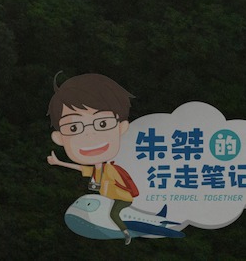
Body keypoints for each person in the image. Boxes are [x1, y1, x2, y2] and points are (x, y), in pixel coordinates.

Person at [48, 75, 183, 240]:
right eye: (74, 127)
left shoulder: (111, 168)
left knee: (114, 214)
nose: (89, 134)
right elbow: (79, 167)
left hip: (122, 198)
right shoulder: (96, 170)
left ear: (121, 127)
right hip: (110, 198)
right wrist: (58, 162)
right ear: (59, 137)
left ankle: (126, 233)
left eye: (102, 124)